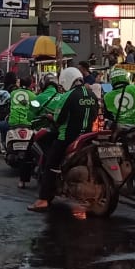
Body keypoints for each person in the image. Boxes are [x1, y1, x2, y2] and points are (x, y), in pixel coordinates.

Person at [28, 66, 100, 217]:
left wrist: (51, 118)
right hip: (87, 136)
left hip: (67, 138)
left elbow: (58, 119)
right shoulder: (92, 94)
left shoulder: (68, 96)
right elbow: (95, 114)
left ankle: (43, 200)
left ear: (67, 81)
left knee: (50, 164)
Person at [7, 77, 37, 188]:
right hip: (28, 123)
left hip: (14, 123)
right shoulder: (33, 96)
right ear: (30, 85)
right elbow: (36, 109)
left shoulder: (13, 93)